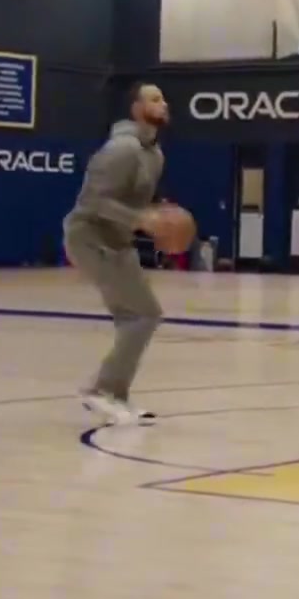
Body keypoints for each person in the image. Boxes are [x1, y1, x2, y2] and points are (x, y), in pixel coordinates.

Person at [65, 83, 171, 426]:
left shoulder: (155, 154)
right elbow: (93, 201)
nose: (164, 103)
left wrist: (159, 219)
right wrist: (140, 220)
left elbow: (133, 203)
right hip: (90, 237)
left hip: (118, 241)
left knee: (137, 317)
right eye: (154, 98)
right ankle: (100, 390)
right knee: (144, 314)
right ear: (136, 108)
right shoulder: (121, 149)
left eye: (163, 98)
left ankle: (116, 395)